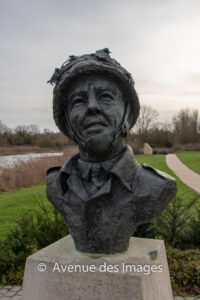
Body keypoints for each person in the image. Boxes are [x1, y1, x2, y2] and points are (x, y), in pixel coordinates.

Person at [46, 49, 176, 253]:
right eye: (78, 101)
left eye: (105, 96)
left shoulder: (156, 186)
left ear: (127, 114)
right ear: (68, 123)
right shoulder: (55, 184)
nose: (92, 107)